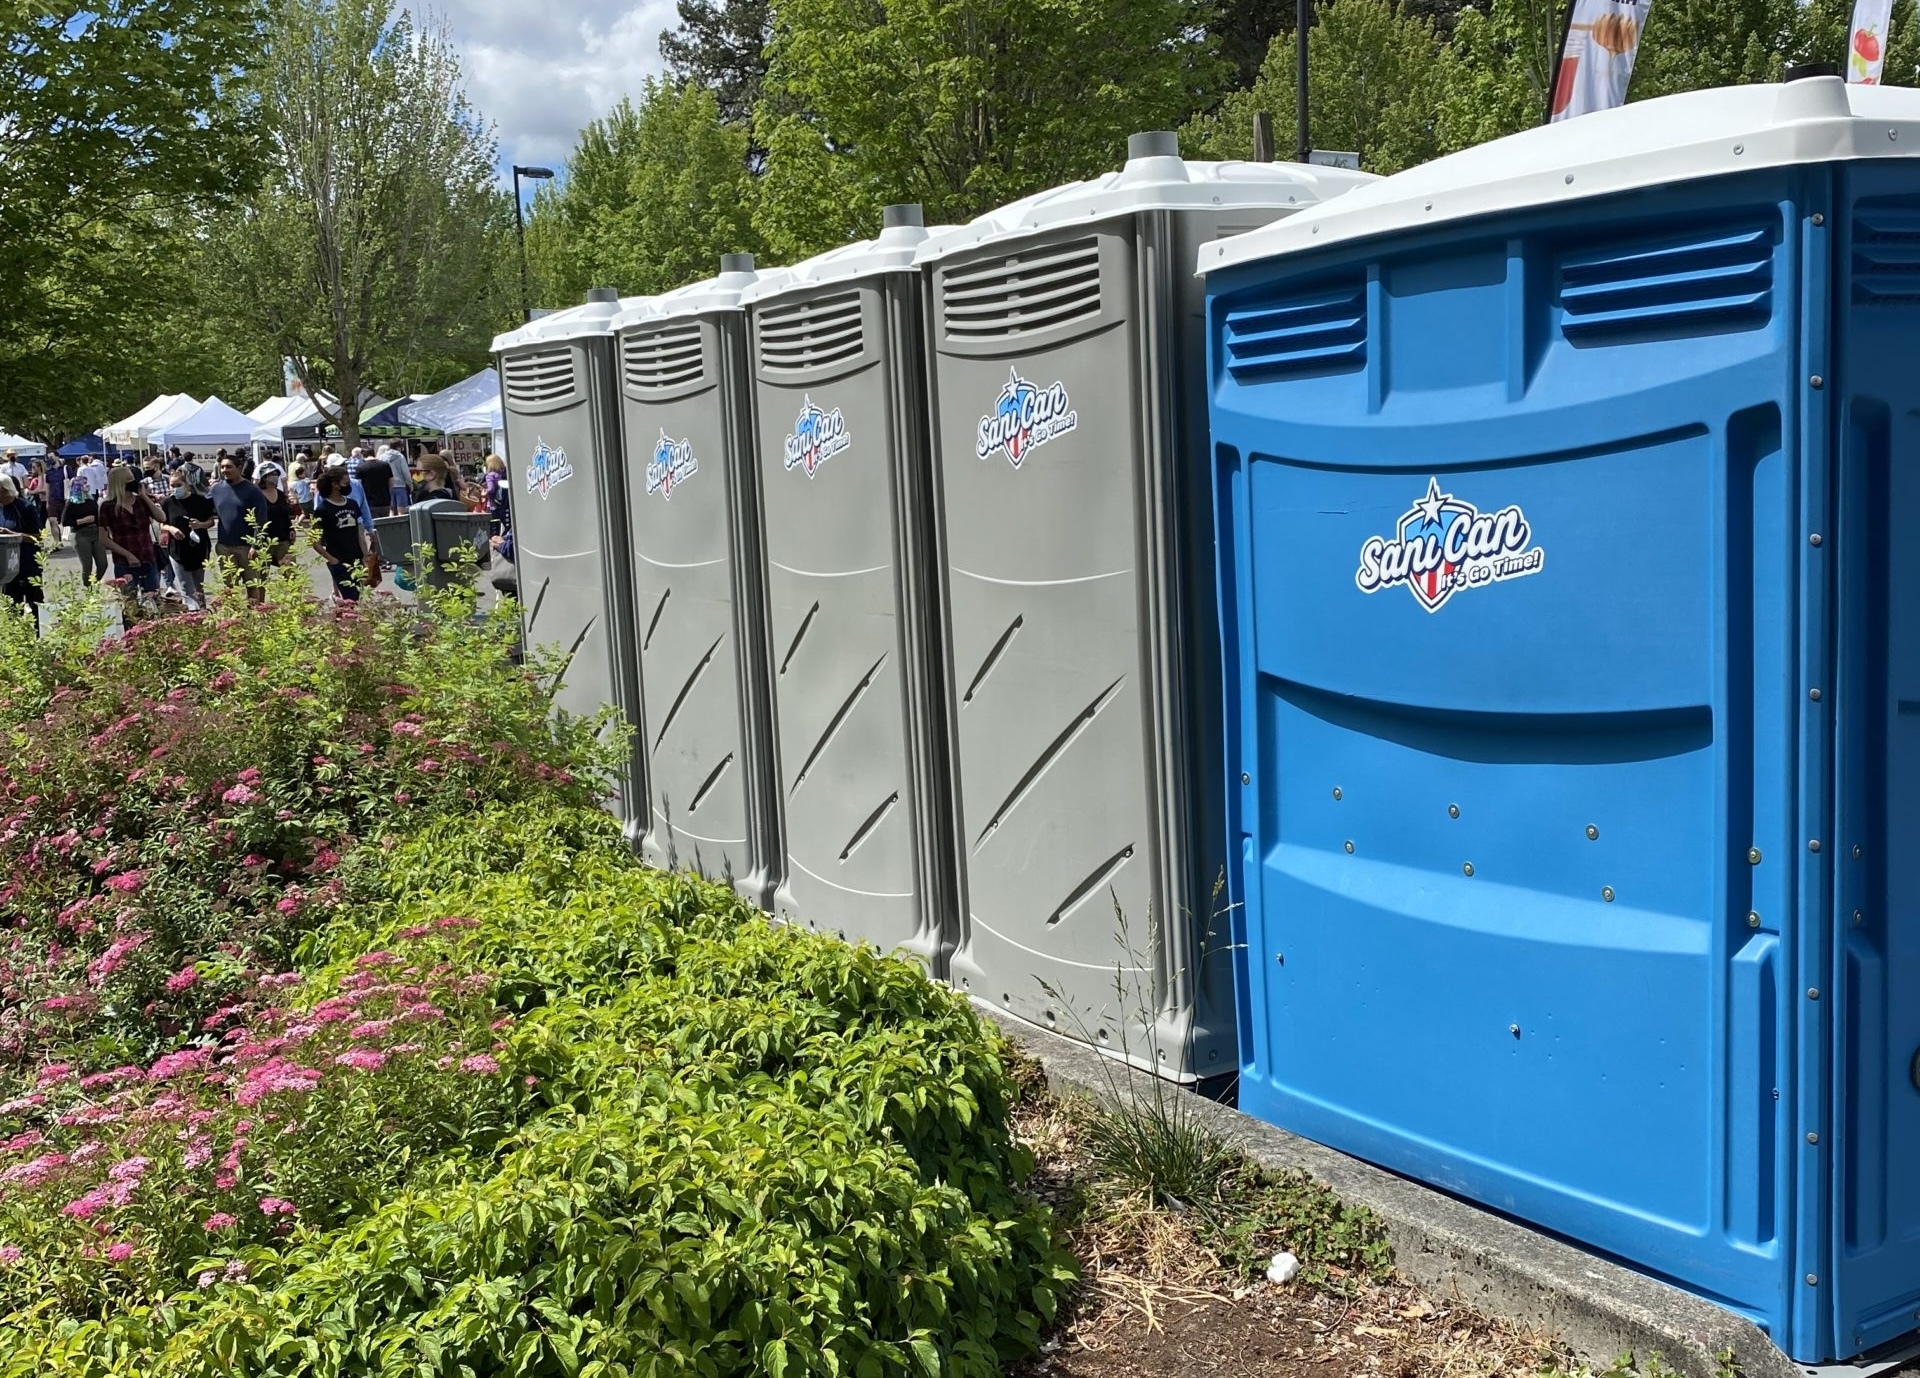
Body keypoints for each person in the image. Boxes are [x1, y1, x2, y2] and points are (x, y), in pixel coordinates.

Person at [99, 464, 165, 620]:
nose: (134, 482)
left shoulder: (141, 502)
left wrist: (145, 497)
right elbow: (103, 537)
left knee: (154, 602)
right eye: (129, 480)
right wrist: (127, 555)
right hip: (124, 561)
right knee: (130, 606)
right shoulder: (108, 506)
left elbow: (161, 518)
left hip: (148, 557)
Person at [210, 453, 270, 604]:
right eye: (222, 467)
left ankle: (253, 617)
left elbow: (261, 519)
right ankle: (234, 618)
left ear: (239, 468)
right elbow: (203, 509)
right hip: (224, 545)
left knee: (252, 585)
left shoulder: (252, 490)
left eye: (229, 467)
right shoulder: (216, 489)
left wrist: (256, 544)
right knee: (230, 586)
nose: (225, 470)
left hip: (247, 547)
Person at [159, 463, 216, 610]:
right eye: (172, 485)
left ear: (186, 485)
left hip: (198, 547)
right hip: (177, 550)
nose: (175, 488)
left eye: (178, 484)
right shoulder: (168, 502)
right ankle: (191, 616)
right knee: (185, 587)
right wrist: (171, 529)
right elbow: (162, 524)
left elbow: (211, 522)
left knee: (199, 586)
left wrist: (200, 525)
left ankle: (202, 612)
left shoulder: (200, 501)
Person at [313, 464, 372, 602]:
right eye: (345, 483)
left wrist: (365, 555)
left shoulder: (352, 504)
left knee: (358, 597)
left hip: (356, 558)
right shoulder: (323, 510)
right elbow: (315, 541)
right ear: (335, 485)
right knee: (350, 599)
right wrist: (332, 559)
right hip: (338, 559)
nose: (348, 486)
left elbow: (358, 532)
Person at [0, 473, 45, 630]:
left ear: (7, 491)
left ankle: (37, 636)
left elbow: (39, 538)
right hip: (8, 568)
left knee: (34, 603)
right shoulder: (0, 508)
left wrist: (13, 535)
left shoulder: (26, 508)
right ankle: (18, 641)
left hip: (28, 564)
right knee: (12, 606)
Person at [65, 474, 106, 586]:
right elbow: (65, 522)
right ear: (78, 486)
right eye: (84, 484)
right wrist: (82, 521)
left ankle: (95, 583)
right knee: (87, 566)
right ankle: (89, 590)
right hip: (80, 534)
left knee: (103, 564)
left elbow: (98, 518)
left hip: (95, 533)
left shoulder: (91, 500)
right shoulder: (71, 503)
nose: (87, 485)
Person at [258, 466, 296, 566]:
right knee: (262, 574)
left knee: (290, 571)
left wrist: (291, 529)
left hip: (283, 539)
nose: (275, 477)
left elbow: (285, 515)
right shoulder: (257, 495)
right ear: (265, 477)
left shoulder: (280, 494)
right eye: (272, 474)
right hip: (264, 541)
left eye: (277, 474)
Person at [358, 447, 393, 519]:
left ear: (362, 455)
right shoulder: (385, 465)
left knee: (374, 525)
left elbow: (359, 486)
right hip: (385, 501)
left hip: (369, 502)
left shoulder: (360, 467)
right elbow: (391, 482)